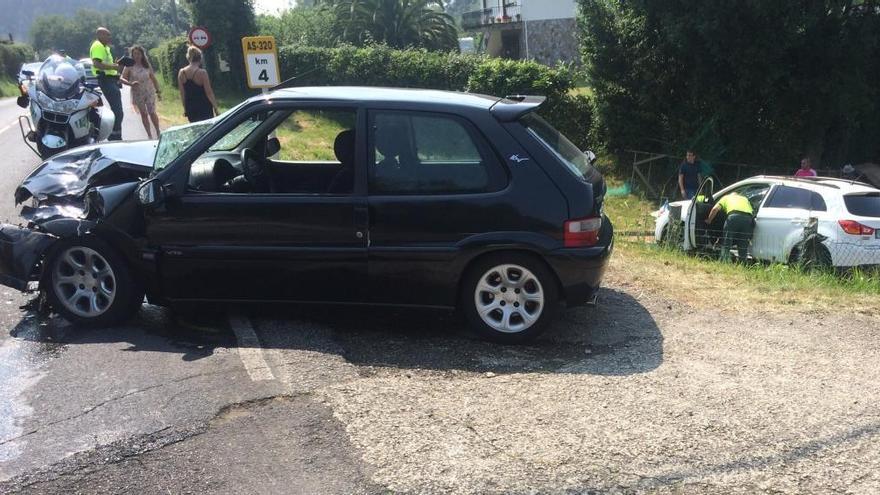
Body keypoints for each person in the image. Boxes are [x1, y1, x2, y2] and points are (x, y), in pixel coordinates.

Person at [90, 27, 125, 140]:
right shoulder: (98, 46)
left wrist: (116, 70)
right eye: (107, 35)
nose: (109, 37)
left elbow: (107, 65)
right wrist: (115, 66)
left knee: (118, 110)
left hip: (111, 79)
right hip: (106, 80)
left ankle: (116, 134)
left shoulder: (105, 47)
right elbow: (97, 64)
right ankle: (114, 135)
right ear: (100, 35)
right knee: (117, 110)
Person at [121, 45, 161, 139]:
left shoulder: (146, 65)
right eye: (135, 54)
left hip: (149, 90)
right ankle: (149, 134)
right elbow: (122, 78)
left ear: (142, 54)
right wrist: (130, 83)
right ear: (132, 55)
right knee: (143, 113)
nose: (137, 56)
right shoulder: (129, 66)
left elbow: (153, 78)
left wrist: (158, 91)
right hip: (137, 92)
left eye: (139, 54)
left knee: (152, 112)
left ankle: (158, 131)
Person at [706, 191, 755, 262]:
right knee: (743, 243)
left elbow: (715, 209)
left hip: (733, 217)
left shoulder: (726, 197)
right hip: (748, 219)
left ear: (730, 194)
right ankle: (742, 263)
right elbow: (752, 211)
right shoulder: (744, 199)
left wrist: (709, 220)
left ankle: (724, 261)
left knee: (727, 240)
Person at [177, 46, 218, 123]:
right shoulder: (202, 73)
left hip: (190, 106)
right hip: (204, 106)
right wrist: (215, 108)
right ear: (200, 58)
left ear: (188, 58)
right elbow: (209, 92)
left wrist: (185, 108)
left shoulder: (181, 72)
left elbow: (182, 93)